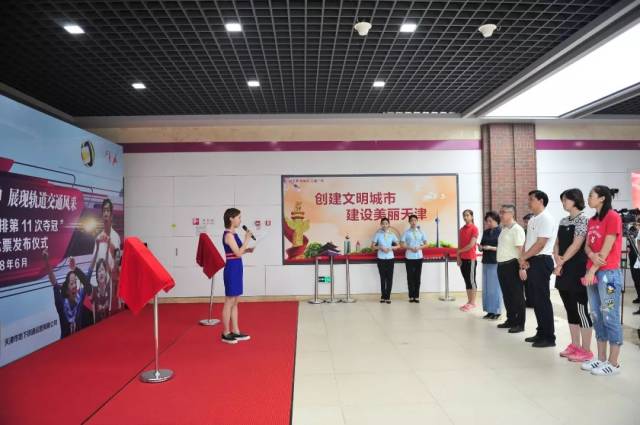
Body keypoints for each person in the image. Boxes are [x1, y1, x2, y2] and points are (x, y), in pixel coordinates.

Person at [581, 186, 623, 375]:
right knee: (596, 314)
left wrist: (592, 270)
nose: (588, 198)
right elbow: (588, 247)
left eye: (591, 195)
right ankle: (601, 358)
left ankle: (613, 363)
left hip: (609, 276)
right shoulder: (592, 220)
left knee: (610, 314)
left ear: (602, 198)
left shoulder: (613, 217)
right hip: (593, 273)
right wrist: (590, 254)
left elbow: (606, 249)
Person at [553, 189, 593, 362]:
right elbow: (557, 243)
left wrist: (560, 263)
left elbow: (577, 245)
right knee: (570, 309)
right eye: (562, 200)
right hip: (563, 270)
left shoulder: (583, 220)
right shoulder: (563, 220)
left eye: (565, 200)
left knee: (581, 309)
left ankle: (586, 350)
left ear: (575, 200)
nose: (563, 203)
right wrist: (557, 258)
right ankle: (575, 345)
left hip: (576, 269)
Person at [520, 190, 557, 348]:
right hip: (533, 260)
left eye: (531, 199)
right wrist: (524, 259)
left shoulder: (546, 218)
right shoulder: (534, 219)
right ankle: (541, 332)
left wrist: (525, 257)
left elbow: (541, 243)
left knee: (542, 300)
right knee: (535, 300)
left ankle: (549, 337)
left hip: (542, 261)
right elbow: (528, 242)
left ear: (541, 201)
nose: (529, 202)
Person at [221, 208, 254, 344]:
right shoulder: (228, 235)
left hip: (237, 267)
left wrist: (248, 249)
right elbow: (237, 253)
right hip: (231, 268)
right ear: (231, 218)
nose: (240, 220)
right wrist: (247, 239)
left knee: (236, 302)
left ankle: (236, 331)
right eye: (238, 217)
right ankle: (225, 332)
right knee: (229, 301)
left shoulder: (234, 234)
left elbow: (239, 252)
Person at [43, 250, 92, 337]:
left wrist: (75, 269)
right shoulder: (61, 303)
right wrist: (46, 261)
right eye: (71, 283)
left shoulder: (79, 297)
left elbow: (87, 280)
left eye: (75, 282)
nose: (74, 286)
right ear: (67, 289)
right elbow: (54, 282)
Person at [496, 205, 527, 333]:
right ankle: (511, 320)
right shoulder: (504, 229)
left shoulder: (517, 229)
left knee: (517, 295)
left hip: (513, 265)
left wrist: (522, 267)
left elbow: (521, 250)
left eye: (503, 212)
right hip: (502, 265)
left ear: (511, 214)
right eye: (500, 212)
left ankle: (520, 323)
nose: (501, 215)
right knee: (507, 295)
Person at [89, 198, 121, 313]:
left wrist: (110, 244)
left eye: (108, 210)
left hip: (112, 287)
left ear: (111, 215)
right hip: (100, 289)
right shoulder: (98, 238)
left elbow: (118, 260)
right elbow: (92, 264)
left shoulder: (116, 237)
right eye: (104, 211)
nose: (105, 213)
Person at [372, 217, 400, 304]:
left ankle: (388, 296)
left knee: (389, 278)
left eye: (386, 223)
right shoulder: (377, 234)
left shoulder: (392, 234)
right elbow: (372, 247)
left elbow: (398, 246)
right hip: (380, 258)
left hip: (390, 258)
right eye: (383, 223)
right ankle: (383, 296)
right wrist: (380, 247)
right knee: (382, 278)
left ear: (389, 225)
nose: (385, 225)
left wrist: (391, 248)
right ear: (381, 225)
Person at [480, 211, 502, 320]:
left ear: (496, 220)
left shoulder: (501, 232)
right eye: (487, 221)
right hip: (486, 261)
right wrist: (481, 247)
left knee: (495, 288)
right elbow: (483, 244)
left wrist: (491, 248)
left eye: (490, 221)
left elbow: (503, 248)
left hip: (495, 262)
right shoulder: (486, 232)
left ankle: (497, 311)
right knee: (487, 288)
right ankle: (489, 310)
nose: (488, 223)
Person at [401, 214, 427, 303]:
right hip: (409, 257)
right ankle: (411, 296)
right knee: (410, 277)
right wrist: (410, 248)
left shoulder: (421, 232)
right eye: (411, 220)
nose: (413, 222)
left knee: (417, 277)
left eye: (415, 220)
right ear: (409, 222)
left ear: (417, 221)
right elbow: (402, 244)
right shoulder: (406, 232)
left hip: (419, 256)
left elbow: (426, 243)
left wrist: (419, 248)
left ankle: (417, 296)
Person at [457, 209, 479, 311]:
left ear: (472, 216)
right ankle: (469, 301)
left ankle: (473, 302)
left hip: (471, 259)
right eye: (464, 216)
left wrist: (459, 251)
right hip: (463, 259)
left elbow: (471, 245)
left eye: (467, 215)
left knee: (471, 281)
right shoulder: (461, 230)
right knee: (467, 281)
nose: (465, 217)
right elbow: (460, 245)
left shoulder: (474, 229)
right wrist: (458, 257)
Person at [522, 213, 535, 307]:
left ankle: (534, 300)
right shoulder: (523, 231)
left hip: (533, 258)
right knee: (526, 281)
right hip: (525, 258)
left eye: (527, 222)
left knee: (533, 281)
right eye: (525, 222)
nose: (526, 224)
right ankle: (529, 300)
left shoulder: (535, 232)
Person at [629, 216, 640, 313]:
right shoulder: (631, 229)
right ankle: (639, 297)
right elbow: (630, 241)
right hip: (633, 257)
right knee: (635, 278)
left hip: (638, 257)